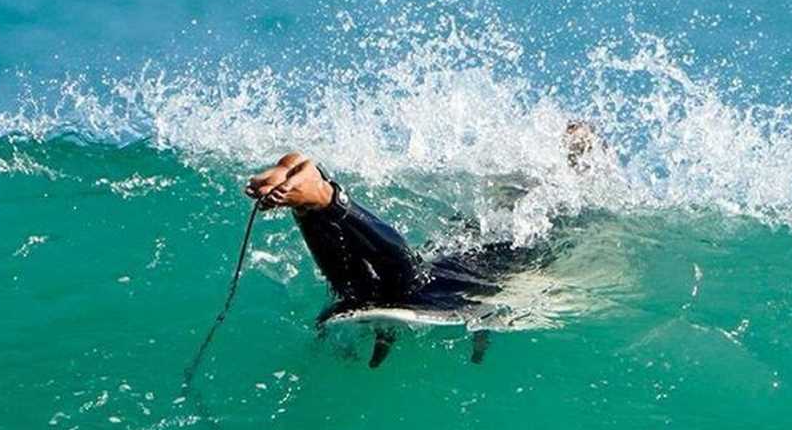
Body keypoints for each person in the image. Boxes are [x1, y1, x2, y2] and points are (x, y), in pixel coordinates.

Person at [245, 122, 601, 366]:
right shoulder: (570, 214)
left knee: (358, 289)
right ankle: (321, 197)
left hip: (461, 255)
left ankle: (309, 205)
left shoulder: (512, 214)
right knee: (411, 283)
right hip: (490, 265)